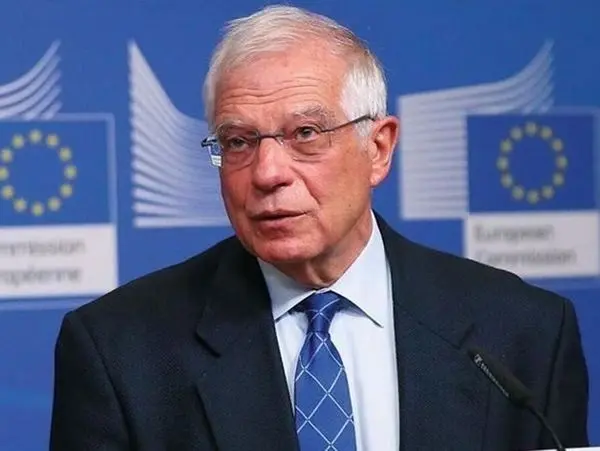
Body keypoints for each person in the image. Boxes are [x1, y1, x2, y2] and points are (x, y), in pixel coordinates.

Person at [49, 5, 589, 451]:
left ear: (378, 149)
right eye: (238, 142)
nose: (267, 173)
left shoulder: (523, 333)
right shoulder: (120, 351)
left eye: (305, 133)